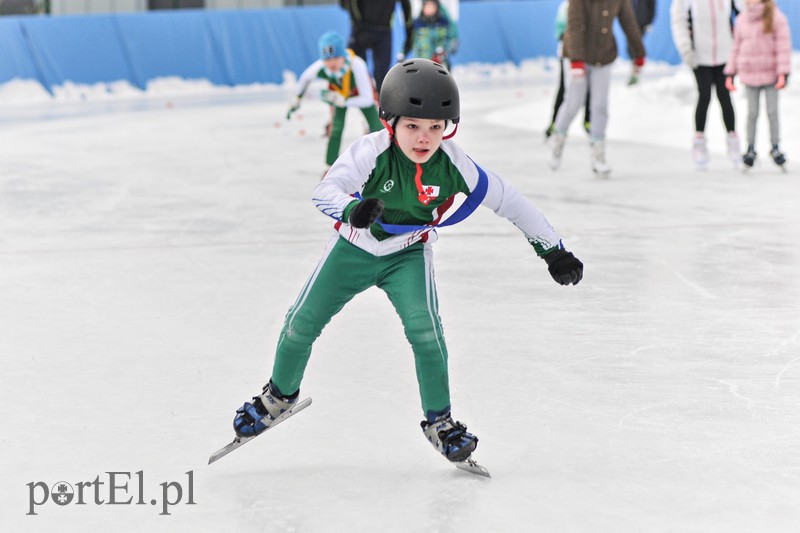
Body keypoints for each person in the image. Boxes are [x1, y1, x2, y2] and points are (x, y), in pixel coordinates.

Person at [232, 59, 584, 466]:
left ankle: (440, 422)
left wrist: (553, 250)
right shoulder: (370, 151)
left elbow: (510, 201)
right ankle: (279, 395)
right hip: (354, 248)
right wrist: (352, 210)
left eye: (436, 126)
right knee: (301, 324)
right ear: (390, 122)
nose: (425, 138)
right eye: (413, 126)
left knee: (426, 331)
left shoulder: (454, 163)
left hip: (409, 255)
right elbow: (324, 190)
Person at [548, 0, 646, 178]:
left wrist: (639, 53)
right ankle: (558, 138)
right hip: (576, 55)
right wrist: (577, 60)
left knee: (600, 105)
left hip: (604, 56)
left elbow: (629, 23)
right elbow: (575, 25)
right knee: (573, 103)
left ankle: (598, 154)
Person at [287, 32, 384, 170]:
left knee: (377, 125)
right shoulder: (320, 66)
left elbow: (367, 99)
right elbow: (305, 78)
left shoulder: (357, 65)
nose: (331, 63)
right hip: (338, 94)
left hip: (360, 95)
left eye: (336, 58)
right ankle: (330, 165)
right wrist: (297, 99)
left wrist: (344, 101)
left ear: (343, 56)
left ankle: (388, 156)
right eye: (327, 60)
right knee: (336, 128)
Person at [671, 0, 743, 170]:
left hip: (725, 55)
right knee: (704, 95)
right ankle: (699, 142)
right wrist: (685, 48)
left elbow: (743, 13)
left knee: (725, 96)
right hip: (700, 57)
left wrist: (740, 47)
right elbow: (679, 21)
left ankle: (733, 141)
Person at [724, 0, 791, 169]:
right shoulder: (742, 19)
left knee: (772, 112)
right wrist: (730, 73)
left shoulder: (776, 18)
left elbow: (783, 47)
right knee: (752, 113)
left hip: (770, 74)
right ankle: (750, 148)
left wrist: (783, 73)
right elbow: (736, 48)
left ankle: (775, 147)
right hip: (750, 74)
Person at [341, 0, 414, 92]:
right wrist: (358, 25)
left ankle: (381, 101)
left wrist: (409, 32)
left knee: (382, 76)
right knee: (356, 70)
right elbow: (347, 4)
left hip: (384, 30)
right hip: (362, 28)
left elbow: (406, 6)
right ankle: (354, 99)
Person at [545, 0, 591, 139]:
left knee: (590, 88)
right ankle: (555, 122)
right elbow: (560, 30)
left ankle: (589, 120)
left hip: (587, 54)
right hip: (568, 55)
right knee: (564, 89)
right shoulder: (567, 5)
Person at [410, 0, 458, 70]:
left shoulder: (443, 22)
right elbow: (412, 42)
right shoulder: (418, 23)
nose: (429, 9)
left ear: (437, 7)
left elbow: (449, 39)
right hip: (421, 63)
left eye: (432, 6)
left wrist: (441, 51)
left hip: (439, 64)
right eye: (427, 6)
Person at [627, 0, 656, 85]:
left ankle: (636, 71)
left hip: (641, 23)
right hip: (628, 21)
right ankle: (634, 68)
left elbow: (652, 7)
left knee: (637, 46)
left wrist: (649, 22)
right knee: (629, 47)